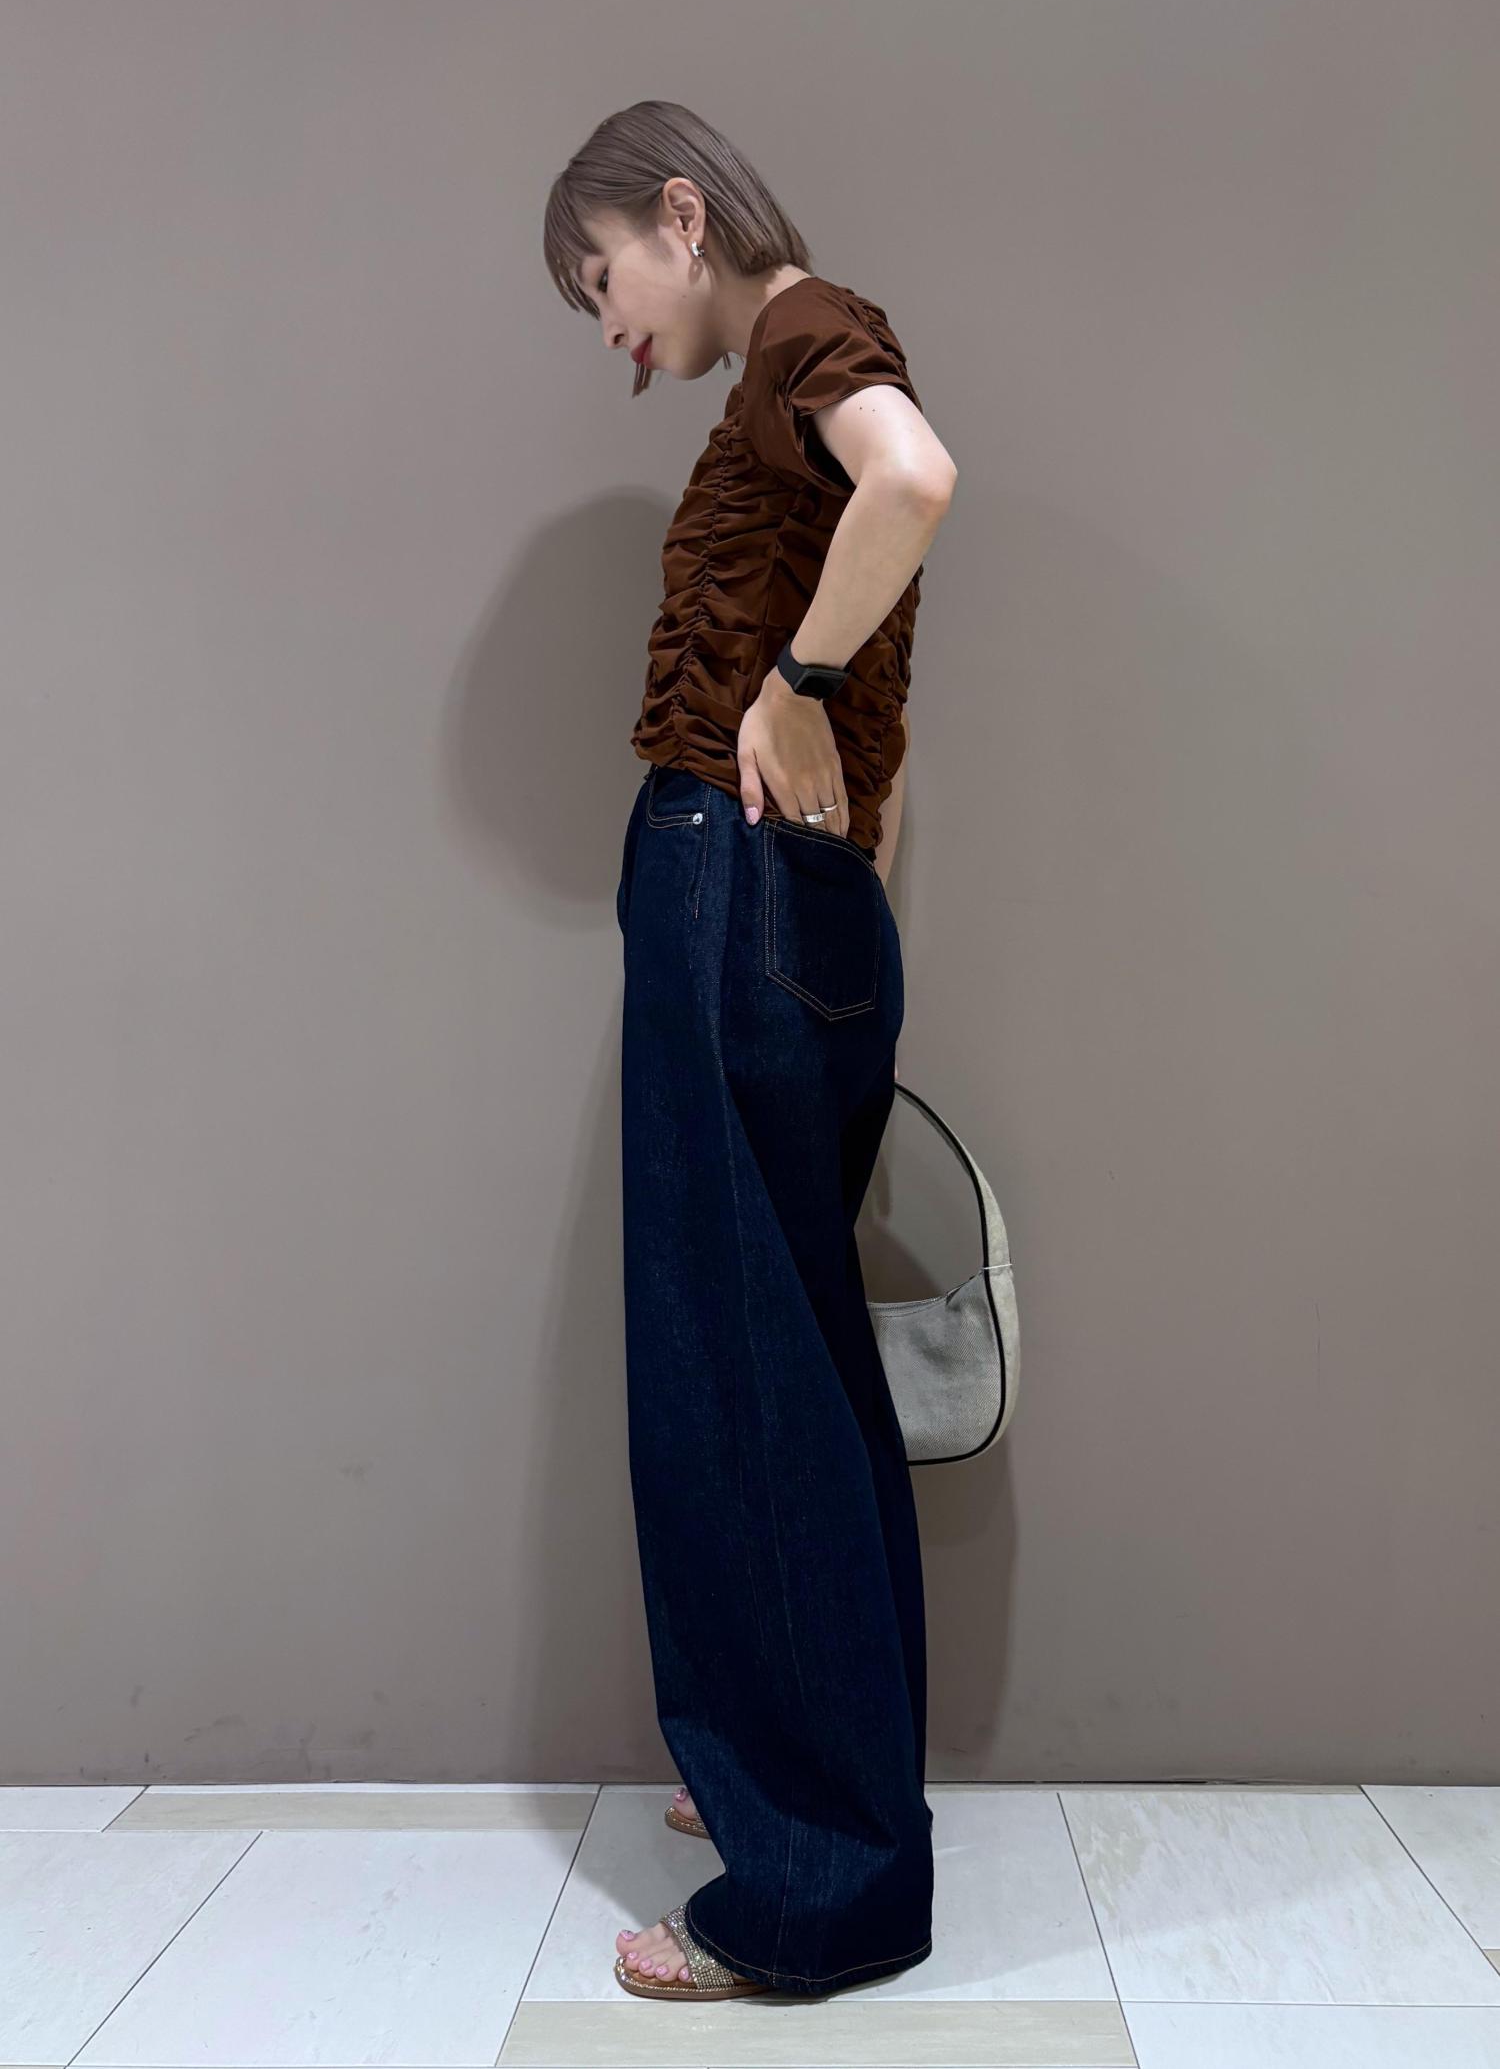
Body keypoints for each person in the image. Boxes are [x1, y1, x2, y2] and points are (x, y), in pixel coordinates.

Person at [545, 100, 958, 2003]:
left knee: (737, 1372)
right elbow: (887, 705)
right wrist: (849, 853)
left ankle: (818, 1889)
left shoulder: (800, 326)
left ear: (680, 212)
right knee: (799, 1363)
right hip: (801, 903)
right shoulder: (788, 369)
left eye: (603, 278)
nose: (611, 328)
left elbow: (917, 481)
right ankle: (810, 1785)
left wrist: (788, 689)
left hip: (735, 889)